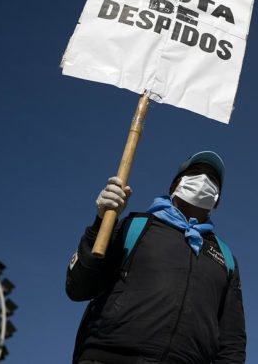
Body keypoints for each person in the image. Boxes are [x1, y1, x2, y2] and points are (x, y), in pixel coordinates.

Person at [66, 151, 245, 364]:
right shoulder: (135, 226)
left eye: (213, 179)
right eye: (195, 172)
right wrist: (100, 222)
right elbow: (78, 287)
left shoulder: (225, 259)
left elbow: (232, 341)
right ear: (173, 186)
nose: (204, 179)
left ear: (217, 201)